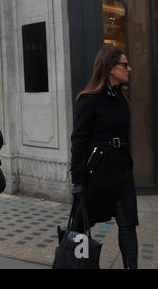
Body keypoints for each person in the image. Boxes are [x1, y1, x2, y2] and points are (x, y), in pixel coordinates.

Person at [70, 45, 139, 269]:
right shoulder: (88, 100)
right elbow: (78, 141)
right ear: (110, 68)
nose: (129, 68)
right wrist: (78, 179)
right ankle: (77, 265)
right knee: (81, 227)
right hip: (97, 174)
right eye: (124, 64)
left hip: (122, 173)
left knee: (128, 224)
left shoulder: (122, 99)